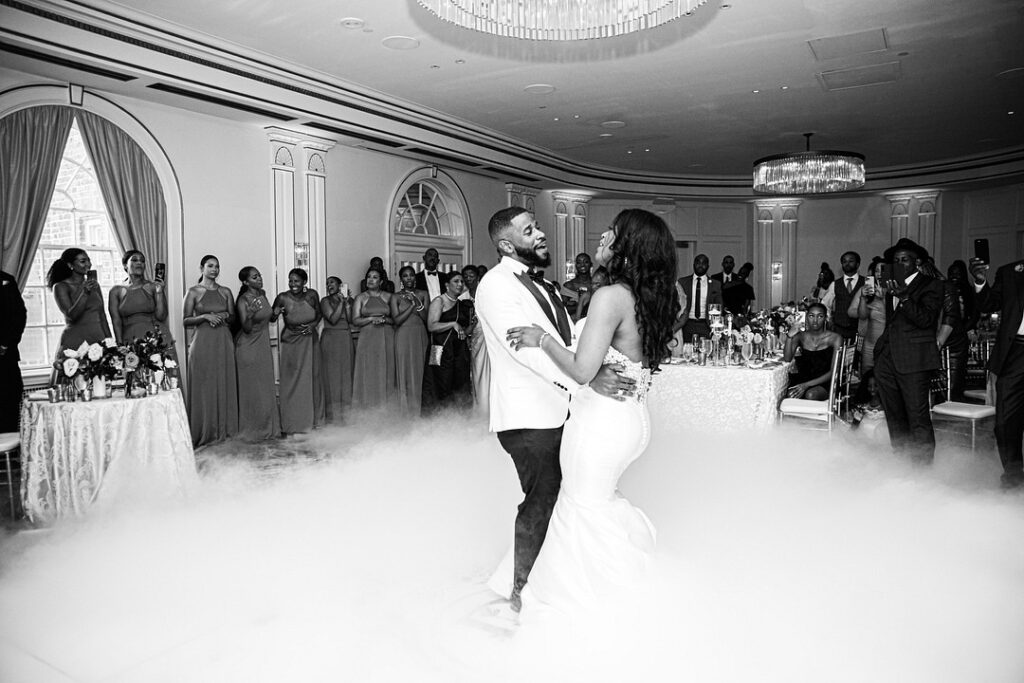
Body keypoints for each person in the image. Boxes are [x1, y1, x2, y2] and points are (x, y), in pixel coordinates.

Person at [503, 208, 679, 617]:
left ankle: (598, 603)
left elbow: (582, 371)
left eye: (610, 235)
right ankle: (621, 586)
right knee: (596, 503)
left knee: (582, 508)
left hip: (602, 422)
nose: (600, 239)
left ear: (627, 248)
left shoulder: (610, 297)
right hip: (630, 419)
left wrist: (541, 338)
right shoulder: (650, 296)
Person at [476, 206, 636, 614]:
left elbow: (568, 340)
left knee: (563, 498)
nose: (541, 234)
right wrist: (586, 377)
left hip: (563, 409)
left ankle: (552, 579)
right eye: (530, 231)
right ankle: (521, 589)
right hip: (529, 416)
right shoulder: (495, 286)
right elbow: (525, 352)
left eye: (538, 226)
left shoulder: (543, 285)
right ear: (507, 244)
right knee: (542, 498)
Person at [873, 238, 944, 465]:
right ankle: (902, 464)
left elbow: (926, 319)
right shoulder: (891, 285)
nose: (900, 263)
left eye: (905, 259)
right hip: (887, 358)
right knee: (894, 416)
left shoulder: (931, 285)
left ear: (917, 261)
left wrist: (904, 297)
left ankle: (923, 471)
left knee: (917, 417)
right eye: (896, 260)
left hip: (914, 360)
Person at [970, 254, 1024, 488]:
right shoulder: (1011, 271)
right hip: (1016, 353)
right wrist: (981, 282)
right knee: (1005, 422)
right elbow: (989, 304)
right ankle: (1013, 479)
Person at [182, 254, 237, 447]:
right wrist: (205, 316)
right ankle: (203, 430)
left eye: (217, 266)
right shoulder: (194, 291)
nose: (214, 269)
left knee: (223, 382)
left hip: (223, 341)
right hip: (203, 342)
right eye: (210, 266)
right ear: (202, 268)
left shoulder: (226, 292)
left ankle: (224, 429)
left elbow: (233, 318)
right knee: (204, 385)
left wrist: (224, 315)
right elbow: (186, 320)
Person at [272, 268, 324, 434]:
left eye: (296, 281)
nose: (293, 284)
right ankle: (292, 421)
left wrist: (312, 325)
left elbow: (319, 315)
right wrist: (275, 313)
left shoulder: (312, 295)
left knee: (312, 378)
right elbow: (272, 318)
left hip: (310, 340)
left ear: (304, 282)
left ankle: (313, 420)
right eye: (290, 281)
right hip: (291, 342)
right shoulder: (282, 297)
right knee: (291, 381)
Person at [234, 266, 280, 441]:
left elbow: (267, 318)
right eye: (254, 277)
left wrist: (275, 315)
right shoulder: (243, 300)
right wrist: (251, 313)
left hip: (263, 345)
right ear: (246, 282)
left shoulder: (263, 294)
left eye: (259, 275)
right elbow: (246, 328)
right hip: (248, 347)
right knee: (252, 390)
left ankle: (268, 426)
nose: (259, 278)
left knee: (265, 388)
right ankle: (253, 429)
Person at [422, 271, 475, 413]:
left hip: (459, 351)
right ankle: (437, 420)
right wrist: (452, 324)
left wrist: (474, 323)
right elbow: (431, 326)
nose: (460, 284)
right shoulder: (438, 301)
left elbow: (465, 332)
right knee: (438, 383)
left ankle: (458, 420)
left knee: (460, 384)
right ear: (447, 285)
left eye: (462, 282)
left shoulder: (462, 305)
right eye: (456, 281)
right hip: (439, 350)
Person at [47, 248, 111, 360]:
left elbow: (102, 315)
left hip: (98, 340)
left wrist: (110, 342)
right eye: (83, 261)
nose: (88, 264)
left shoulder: (95, 285)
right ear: (70, 265)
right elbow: (72, 316)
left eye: (89, 260)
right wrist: (85, 292)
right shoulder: (60, 286)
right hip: (76, 340)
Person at [351, 267, 396, 410]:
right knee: (368, 370)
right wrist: (371, 318)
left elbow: (395, 320)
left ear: (381, 281)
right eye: (369, 277)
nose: (371, 280)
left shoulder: (389, 297)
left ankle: (386, 408)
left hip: (386, 336)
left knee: (386, 369)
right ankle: (366, 408)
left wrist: (383, 320)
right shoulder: (360, 298)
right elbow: (355, 321)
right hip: (367, 338)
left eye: (375, 277)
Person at [108, 250, 170, 347]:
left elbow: (162, 316)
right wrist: (120, 345)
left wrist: (160, 291)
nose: (139, 263)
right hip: (130, 338)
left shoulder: (153, 286)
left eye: (142, 261)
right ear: (125, 265)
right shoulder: (115, 291)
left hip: (156, 337)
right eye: (134, 260)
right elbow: (116, 321)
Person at [783, 302, 843, 400]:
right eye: (811, 316)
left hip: (825, 381)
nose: (815, 320)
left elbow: (834, 371)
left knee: (811, 395)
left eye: (820, 316)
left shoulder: (835, 338)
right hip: (803, 379)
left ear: (825, 318)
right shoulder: (800, 336)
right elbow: (787, 358)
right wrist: (789, 336)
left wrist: (806, 385)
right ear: (806, 317)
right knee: (789, 395)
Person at [390, 266, 429, 417]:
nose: (409, 278)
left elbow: (427, 319)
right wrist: (411, 305)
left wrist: (418, 303)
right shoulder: (396, 297)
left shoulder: (423, 294)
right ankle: (406, 411)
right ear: (401, 279)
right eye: (405, 276)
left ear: (415, 277)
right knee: (404, 370)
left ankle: (421, 409)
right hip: (403, 335)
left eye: (411, 275)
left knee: (420, 370)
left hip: (420, 334)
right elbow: (397, 320)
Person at [320, 276, 355, 422]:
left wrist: (347, 303)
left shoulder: (349, 301)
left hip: (345, 338)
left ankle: (346, 414)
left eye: (332, 282)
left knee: (347, 374)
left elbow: (350, 320)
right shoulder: (325, 301)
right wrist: (341, 303)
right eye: (327, 283)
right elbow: (333, 319)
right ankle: (332, 416)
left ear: (340, 286)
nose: (329, 285)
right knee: (332, 376)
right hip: (331, 338)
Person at [849, 257, 886, 374]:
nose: (879, 274)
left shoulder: (895, 290)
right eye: (877, 271)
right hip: (870, 343)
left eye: (883, 270)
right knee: (867, 378)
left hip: (888, 344)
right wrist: (863, 299)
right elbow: (861, 315)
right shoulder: (867, 289)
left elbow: (895, 315)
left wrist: (883, 299)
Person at [0, 269, 26, 433]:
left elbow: (19, 315)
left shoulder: (6, 280)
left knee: (9, 403)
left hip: (5, 358)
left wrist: (5, 344)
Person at [675, 253, 723, 340]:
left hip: (706, 325)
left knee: (705, 351)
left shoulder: (715, 284)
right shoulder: (683, 282)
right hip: (687, 324)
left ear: (708, 266)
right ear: (693, 265)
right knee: (687, 351)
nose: (700, 265)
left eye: (703, 263)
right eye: (698, 262)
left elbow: (719, 307)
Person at [821, 251, 863, 342]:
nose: (847, 264)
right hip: (839, 328)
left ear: (858, 264)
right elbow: (825, 304)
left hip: (860, 328)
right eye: (844, 261)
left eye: (851, 261)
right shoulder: (835, 284)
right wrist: (829, 319)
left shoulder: (865, 282)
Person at [561, 252, 593, 321]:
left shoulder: (596, 284)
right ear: (576, 266)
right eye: (579, 262)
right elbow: (561, 309)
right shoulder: (568, 285)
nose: (582, 265)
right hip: (574, 323)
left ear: (590, 264)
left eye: (586, 262)